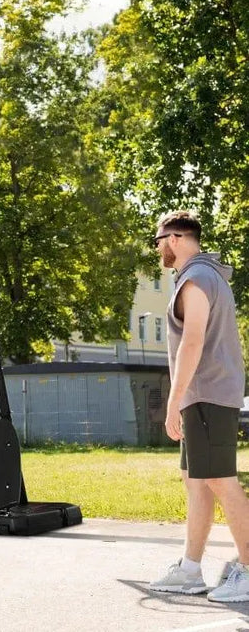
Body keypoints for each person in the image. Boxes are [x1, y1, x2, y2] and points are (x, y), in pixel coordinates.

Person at [149, 210, 249, 602]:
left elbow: (192, 343)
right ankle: (191, 569)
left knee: (221, 481)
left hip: (206, 394)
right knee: (198, 482)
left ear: (174, 238)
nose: (157, 248)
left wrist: (173, 402)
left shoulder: (196, 279)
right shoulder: (210, 277)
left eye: (157, 241)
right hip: (203, 395)